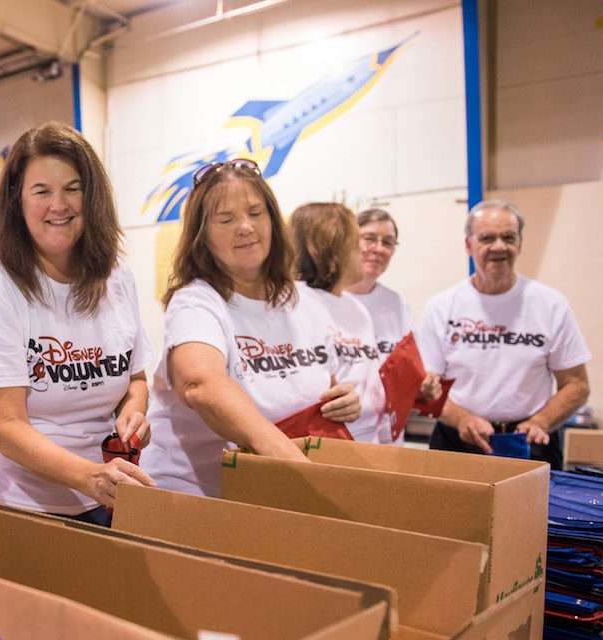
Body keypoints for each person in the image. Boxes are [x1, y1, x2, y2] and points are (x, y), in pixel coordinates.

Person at [0, 122, 155, 562]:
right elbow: (5, 425)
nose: (58, 205)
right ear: (18, 200)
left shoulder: (118, 280)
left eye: (72, 189)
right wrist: (90, 475)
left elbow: (135, 377)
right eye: (42, 191)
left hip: (96, 497)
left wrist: (133, 415)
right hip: (5, 504)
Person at [139, 159, 361, 497]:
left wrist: (342, 400)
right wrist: (297, 467)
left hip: (277, 491)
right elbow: (202, 386)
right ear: (203, 236)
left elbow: (321, 383)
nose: (244, 227)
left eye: (256, 213)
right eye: (225, 219)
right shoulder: (197, 303)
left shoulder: (304, 301)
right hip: (201, 496)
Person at [416, 199, 591, 456]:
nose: (499, 246)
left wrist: (541, 421)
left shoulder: (550, 305)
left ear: (520, 243)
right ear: (468, 245)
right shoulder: (441, 307)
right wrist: (462, 418)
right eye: (487, 238)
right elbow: (426, 389)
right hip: (457, 442)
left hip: (529, 442)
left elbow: (577, 385)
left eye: (509, 237)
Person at [290, 203, 387, 443]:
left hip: (369, 442)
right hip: (330, 446)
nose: (363, 252)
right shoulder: (294, 304)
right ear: (331, 253)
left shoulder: (356, 307)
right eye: (356, 244)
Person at [345, 208, 413, 357]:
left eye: (388, 242)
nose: (379, 249)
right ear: (349, 241)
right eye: (369, 239)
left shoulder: (397, 304)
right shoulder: (327, 301)